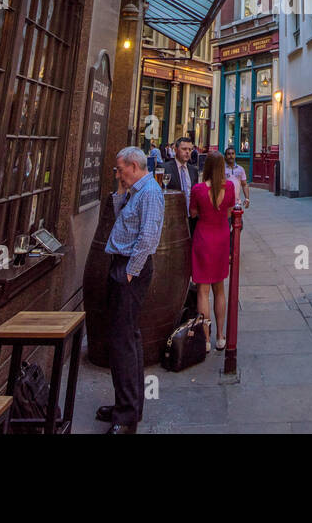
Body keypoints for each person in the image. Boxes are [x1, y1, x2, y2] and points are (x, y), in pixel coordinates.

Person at [97, 146, 164, 434]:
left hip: (130, 270)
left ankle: (126, 417)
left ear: (134, 167)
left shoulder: (149, 193)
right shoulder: (137, 191)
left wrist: (129, 272)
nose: (117, 172)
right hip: (123, 266)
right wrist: (121, 190)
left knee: (123, 341)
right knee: (126, 337)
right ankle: (128, 404)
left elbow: (148, 238)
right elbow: (121, 219)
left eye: (120, 168)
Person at [189, 150, 236, 351]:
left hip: (203, 238)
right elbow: (228, 213)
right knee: (220, 289)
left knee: (202, 290)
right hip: (221, 238)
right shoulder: (231, 187)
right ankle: (221, 336)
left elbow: (193, 214)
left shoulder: (198, 189)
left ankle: (206, 339)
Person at [164, 136, 201, 234]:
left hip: (191, 217)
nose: (187, 152)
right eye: (184, 149)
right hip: (173, 218)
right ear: (175, 150)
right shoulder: (165, 168)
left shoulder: (193, 171)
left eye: (190, 149)